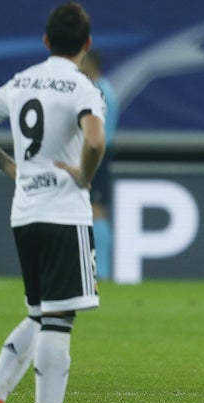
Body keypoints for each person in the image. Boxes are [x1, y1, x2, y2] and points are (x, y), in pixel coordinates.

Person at [0, 2, 105, 403]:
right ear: (87, 44)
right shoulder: (83, 86)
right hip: (63, 213)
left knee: (40, 314)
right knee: (59, 319)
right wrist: (83, 177)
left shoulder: (21, 81)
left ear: (46, 41)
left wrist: (11, 168)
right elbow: (94, 141)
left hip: (25, 213)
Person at [79, 50, 119, 280]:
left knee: (97, 210)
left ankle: (101, 269)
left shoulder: (99, 91)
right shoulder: (105, 89)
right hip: (99, 153)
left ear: (89, 64)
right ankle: (94, 267)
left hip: (96, 154)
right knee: (93, 210)